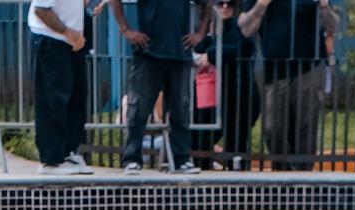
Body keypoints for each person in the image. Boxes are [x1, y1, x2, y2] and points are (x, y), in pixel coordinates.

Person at [112, 0, 211, 172]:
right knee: (139, 108)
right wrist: (125, 29)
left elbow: (208, 3)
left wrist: (200, 33)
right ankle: (132, 158)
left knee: (180, 109)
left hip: (179, 53)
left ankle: (182, 159)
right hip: (148, 52)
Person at [238, 0, 325, 170]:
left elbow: (332, 27)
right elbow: (246, 29)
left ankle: (303, 176)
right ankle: (282, 172)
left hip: (308, 68)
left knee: (306, 126)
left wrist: (325, 6)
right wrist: (261, 5)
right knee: (273, 129)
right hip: (275, 70)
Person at [27, 0, 96, 173]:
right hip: (51, 41)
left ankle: (68, 152)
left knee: (76, 97)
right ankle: (50, 160)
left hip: (73, 42)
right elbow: (41, 10)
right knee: (53, 100)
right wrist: (67, 32)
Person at [193, 0, 259, 169]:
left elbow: (242, 48)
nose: (224, 7)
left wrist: (212, 54)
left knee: (236, 141)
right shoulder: (211, 29)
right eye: (220, 3)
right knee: (201, 138)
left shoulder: (240, 27)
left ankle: (239, 179)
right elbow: (198, 46)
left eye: (229, 4)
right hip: (215, 97)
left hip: (239, 95)